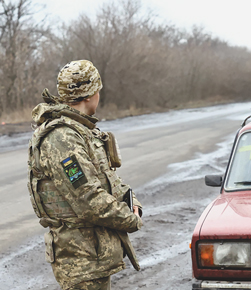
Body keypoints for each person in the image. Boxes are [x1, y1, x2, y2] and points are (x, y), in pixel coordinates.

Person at [27, 60, 143, 290]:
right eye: (98, 89)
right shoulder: (63, 138)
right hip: (81, 260)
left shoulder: (82, 131)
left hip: (94, 255)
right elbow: (88, 199)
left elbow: (107, 177)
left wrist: (132, 201)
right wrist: (129, 218)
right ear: (90, 94)